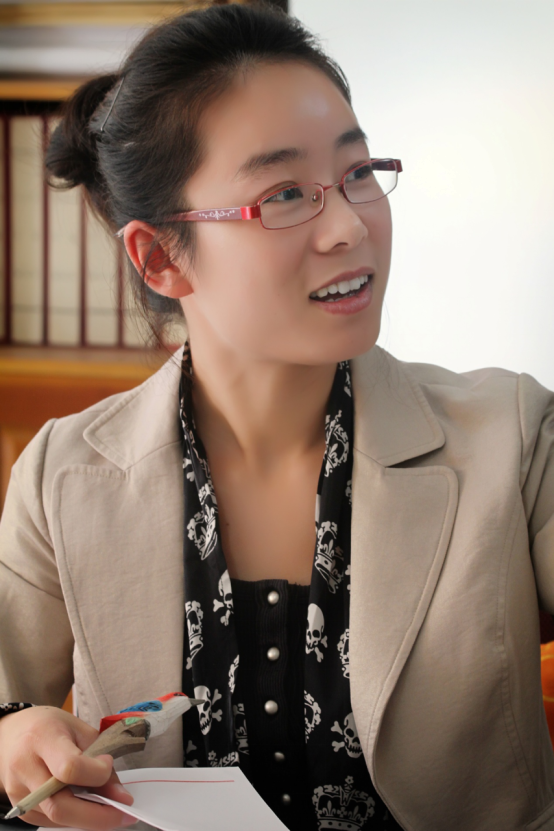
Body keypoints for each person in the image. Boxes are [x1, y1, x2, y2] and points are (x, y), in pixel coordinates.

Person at [0, 3, 553, 830]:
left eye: (358, 172)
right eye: (286, 193)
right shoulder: (60, 473)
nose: (350, 226)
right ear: (159, 257)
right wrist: (15, 732)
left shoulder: (511, 436)